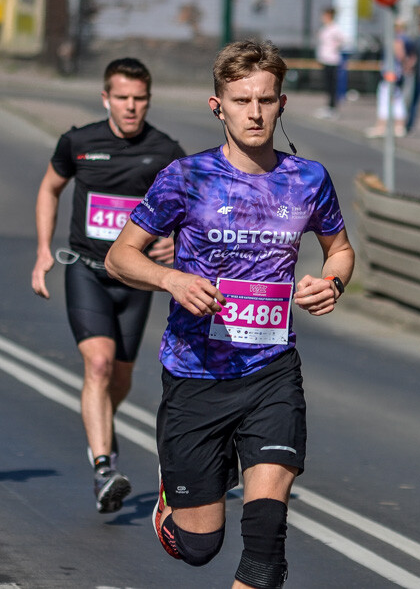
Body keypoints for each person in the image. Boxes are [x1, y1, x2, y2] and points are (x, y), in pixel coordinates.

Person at [105, 39, 354, 589]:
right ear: (217, 106)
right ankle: (177, 499)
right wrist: (171, 278)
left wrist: (332, 281)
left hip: (271, 372)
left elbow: (340, 248)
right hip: (196, 375)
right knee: (200, 547)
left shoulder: (308, 179)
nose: (255, 112)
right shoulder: (185, 178)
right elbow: (119, 255)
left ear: (282, 104)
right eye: (242, 101)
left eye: (265, 100)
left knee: (266, 542)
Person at [31, 58, 185, 514]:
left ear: (148, 100)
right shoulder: (78, 143)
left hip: (135, 279)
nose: (131, 107)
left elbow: (191, 210)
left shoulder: (166, 152)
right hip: (86, 269)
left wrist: (175, 243)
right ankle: (103, 466)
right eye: (122, 98)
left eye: (139, 99)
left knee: (120, 376)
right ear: (106, 98)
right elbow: (48, 189)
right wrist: (43, 250)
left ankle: (102, 424)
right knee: (97, 365)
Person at [365, 18, 412, 138]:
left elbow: (400, 54)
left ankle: (381, 127)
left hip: (390, 73)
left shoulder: (397, 39)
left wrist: (404, 64)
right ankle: (399, 127)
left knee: (385, 99)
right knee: (397, 99)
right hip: (396, 73)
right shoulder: (406, 38)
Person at [314, 7, 346, 119]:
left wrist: (335, 47)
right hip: (325, 59)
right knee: (327, 84)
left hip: (333, 60)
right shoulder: (325, 28)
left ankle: (333, 108)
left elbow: (343, 40)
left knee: (332, 85)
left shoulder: (335, 28)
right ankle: (328, 106)